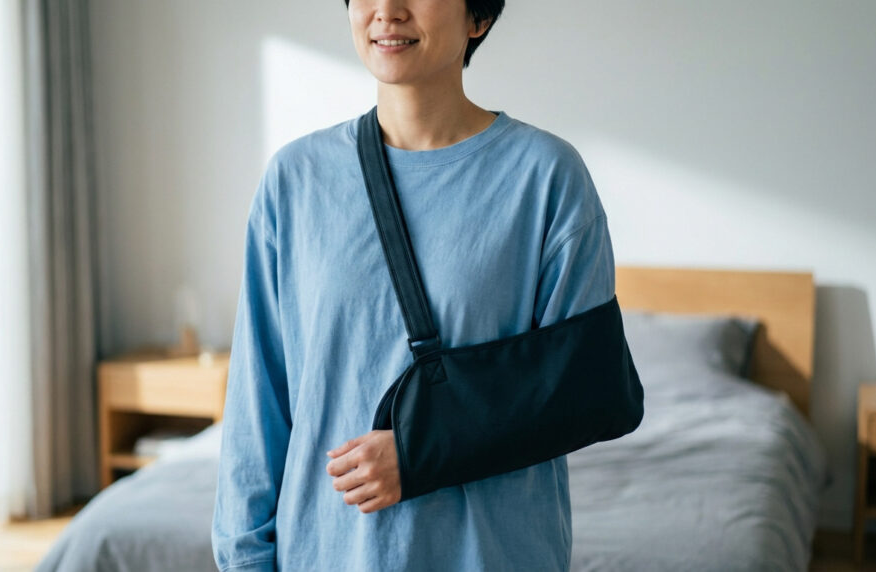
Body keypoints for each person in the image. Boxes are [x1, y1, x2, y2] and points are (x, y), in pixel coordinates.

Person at [212, 0, 617, 569]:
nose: (388, 11)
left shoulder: (546, 178)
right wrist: (243, 558)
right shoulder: (296, 181)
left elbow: (586, 390)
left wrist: (423, 450)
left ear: (478, 17)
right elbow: (260, 399)